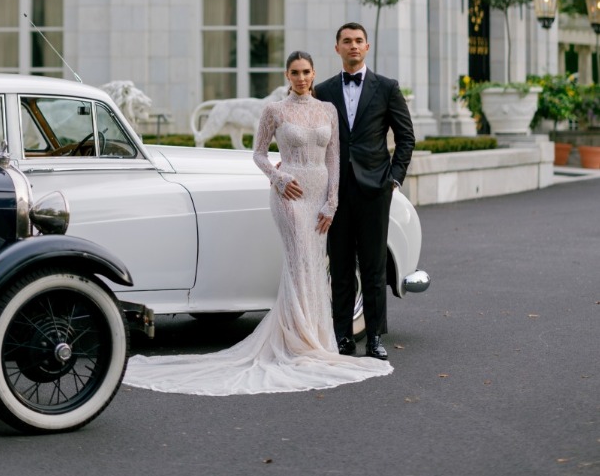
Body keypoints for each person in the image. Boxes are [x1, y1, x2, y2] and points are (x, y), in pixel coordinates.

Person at [124, 50, 392, 395]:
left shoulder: (327, 110)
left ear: (313, 74)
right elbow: (259, 153)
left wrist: (332, 201)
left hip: (319, 196)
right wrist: (278, 180)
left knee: (313, 266)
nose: (300, 77)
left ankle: (314, 336)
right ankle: (299, 340)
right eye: (294, 72)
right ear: (286, 75)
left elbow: (334, 157)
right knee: (299, 264)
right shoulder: (275, 110)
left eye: (306, 71)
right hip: (289, 194)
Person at [315, 22, 416, 362]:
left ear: (367, 47)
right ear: (337, 48)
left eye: (359, 41)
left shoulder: (387, 88)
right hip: (336, 192)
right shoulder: (324, 90)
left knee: (373, 268)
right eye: (347, 41)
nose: (353, 46)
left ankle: (374, 338)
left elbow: (406, 138)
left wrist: (394, 179)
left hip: (375, 192)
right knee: (340, 267)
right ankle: (343, 336)